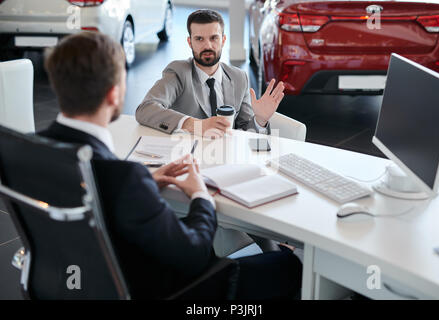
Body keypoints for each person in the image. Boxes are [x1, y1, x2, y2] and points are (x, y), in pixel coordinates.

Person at [40, 31, 301, 299]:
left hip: (77, 280)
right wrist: (200, 194)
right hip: (169, 289)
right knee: (290, 265)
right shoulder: (125, 177)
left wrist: (146, 183)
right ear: (113, 94)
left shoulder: (30, 149)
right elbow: (194, 252)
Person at [135, 9, 285, 139]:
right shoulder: (178, 72)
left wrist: (260, 120)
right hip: (187, 158)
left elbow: (246, 131)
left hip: (228, 161)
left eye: (214, 38)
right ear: (190, 42)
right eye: (199, 39)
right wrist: (196, 125)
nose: (207, 46)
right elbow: (145, 109)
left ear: (223, 40)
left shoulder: (240, 78)